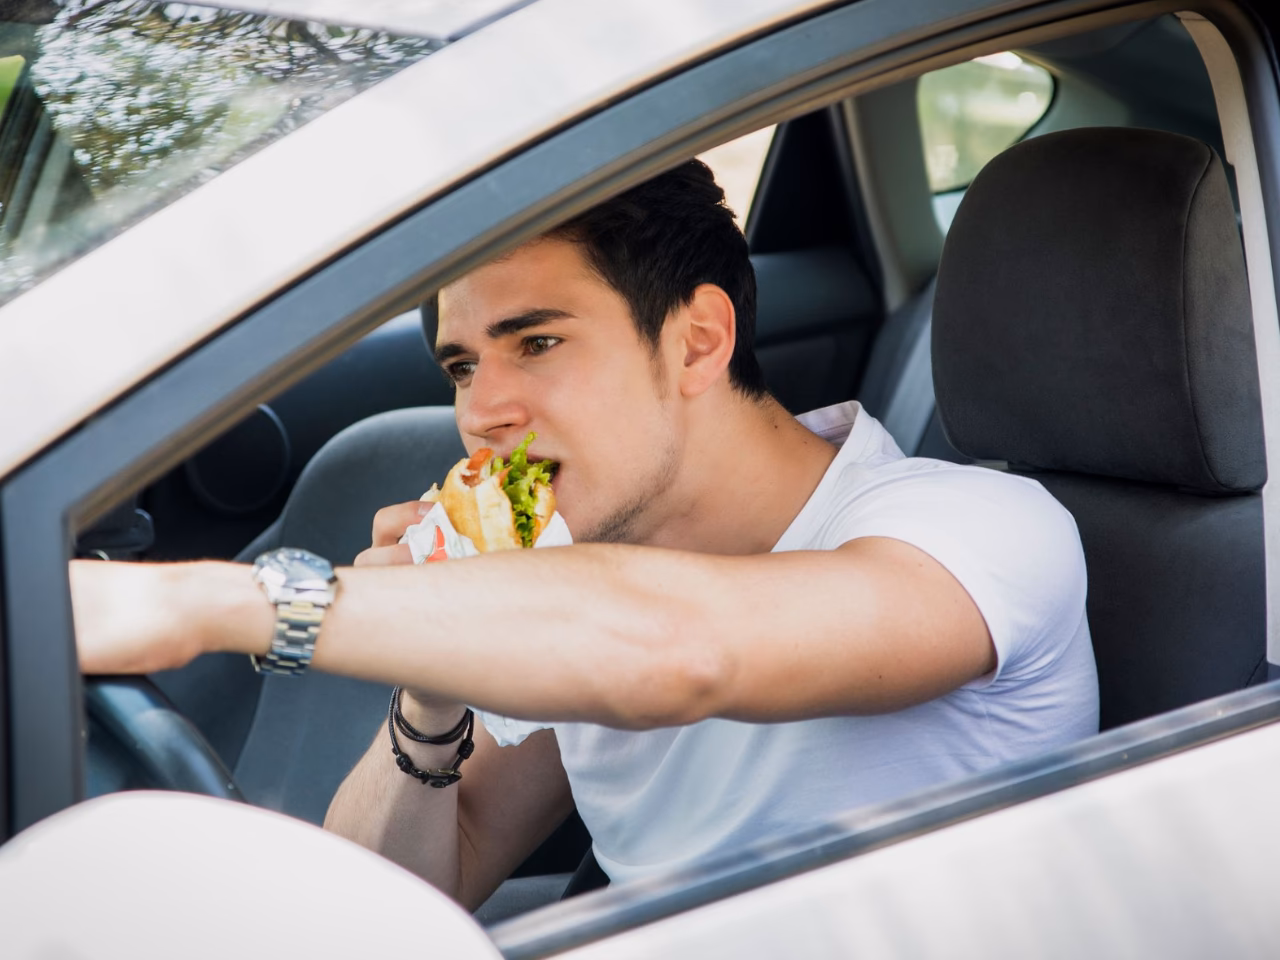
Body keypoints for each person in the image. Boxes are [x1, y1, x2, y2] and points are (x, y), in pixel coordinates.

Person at [72, 160, 1098, 908]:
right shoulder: (578, 579)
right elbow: (389, 906)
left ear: (696, 341)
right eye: (463, 366)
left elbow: (682, 650)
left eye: (537, 342)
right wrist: (433, 686)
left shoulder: (976, 529)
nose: (483, 412)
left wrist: (210, 604)